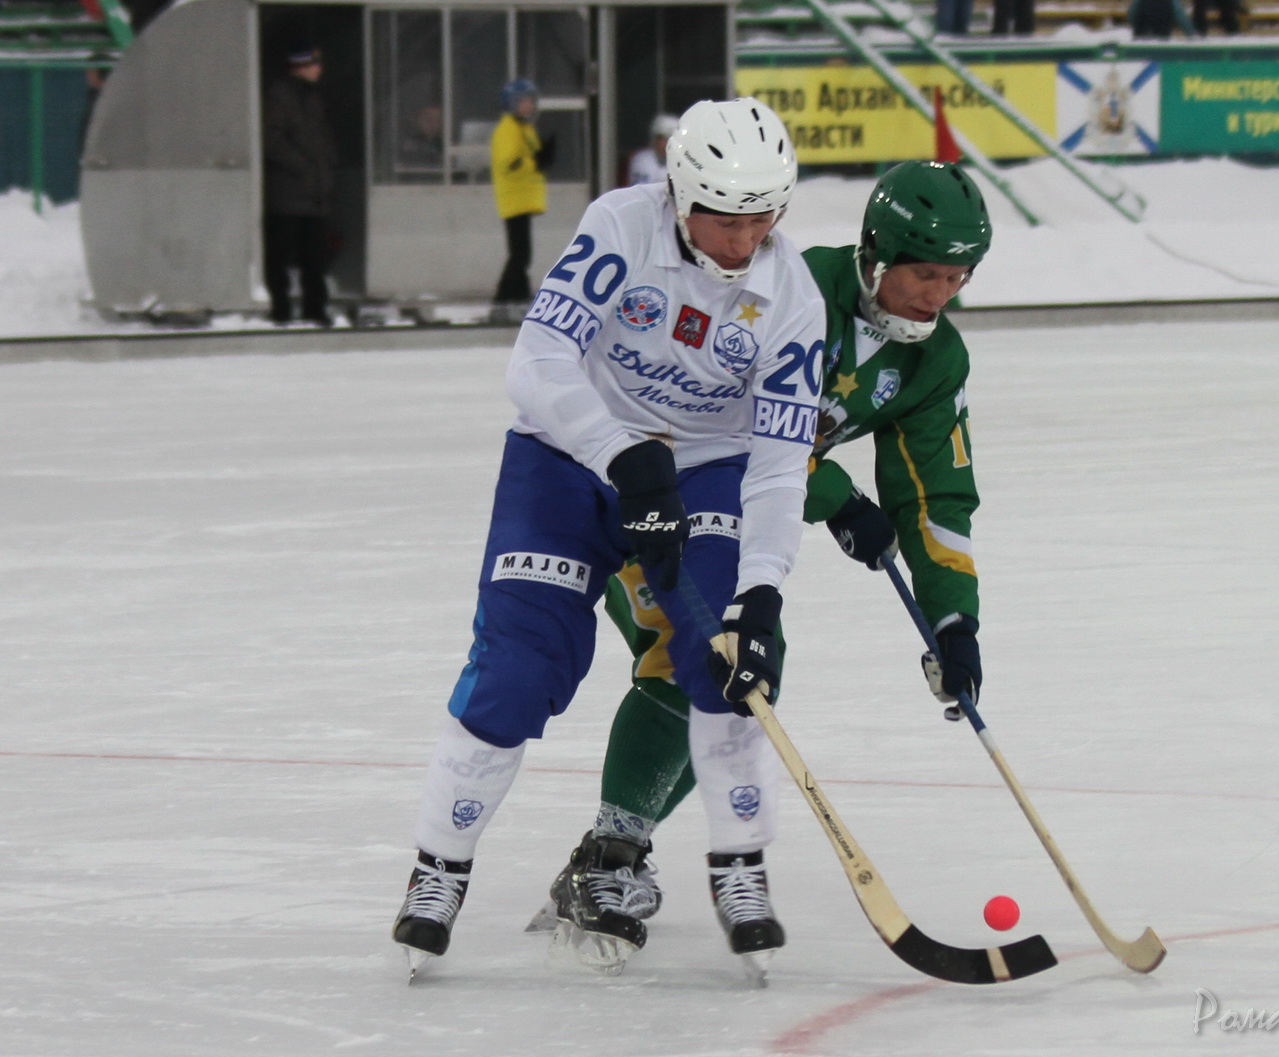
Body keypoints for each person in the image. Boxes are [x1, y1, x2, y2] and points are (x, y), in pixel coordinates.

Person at [391, 97, 827, 982]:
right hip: (566, 457)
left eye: (764, 219)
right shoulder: (622, 226)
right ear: (680, 197)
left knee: (726, 656)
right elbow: (537, 361)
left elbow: (782, 467)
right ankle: (441, 864)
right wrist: (622, 455)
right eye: (726, 220)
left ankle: (739, 867)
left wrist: (763, 587)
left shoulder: (792, 297)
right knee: (521, 665)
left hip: (703, 469)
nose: (746, 241)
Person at [527, 161, 993, 976]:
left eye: (958, 277)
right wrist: (837, 496)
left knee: (744, 676)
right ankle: (608, 857)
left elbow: (934, 499)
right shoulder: (788, 287)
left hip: (738, 523)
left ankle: (610, 851)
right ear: (877, 254)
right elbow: (724, 417)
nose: (940, 294)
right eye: (926, 273)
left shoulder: (935, 360)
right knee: (693, 655)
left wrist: (953, 620)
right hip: (639, 488)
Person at [262, 46, 338, 326]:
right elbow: (272, 140)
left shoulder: (312, 97)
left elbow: (321, 141)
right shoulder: (279, 96)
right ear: (301, 67)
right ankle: (281, 308)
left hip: (313, 193)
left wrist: (326, 166)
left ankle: (315, 308)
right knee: (281, 254)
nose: (319, 70)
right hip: (288, 192)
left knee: (315, 256)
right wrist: (302, 167)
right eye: (315, 65)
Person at [490, 79, 554, 317]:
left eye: (530, 101)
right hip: (514, 200)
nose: (528, 106)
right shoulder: (508, 129)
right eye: (522, 102)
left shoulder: (524, 128)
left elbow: (529, 157)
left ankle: (517, 295)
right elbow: (509, 164)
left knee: (521, 253)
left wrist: (541, 157)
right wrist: (535, 161)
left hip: (523, 200)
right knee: (520, 254)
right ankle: (506, 298)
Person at [627, 114, 678, 186]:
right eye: (661, 139)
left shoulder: (680, 162)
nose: (664, 143)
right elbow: (642, 189)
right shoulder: (642, 160)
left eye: (668, 139)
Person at [1128, 0, 1196, 39]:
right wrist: (1192, 34)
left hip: (1140, 40)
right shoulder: (1173, 1)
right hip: (1162, 40)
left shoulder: (1138, 1)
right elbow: (1182, 19)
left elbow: (1131, 17)